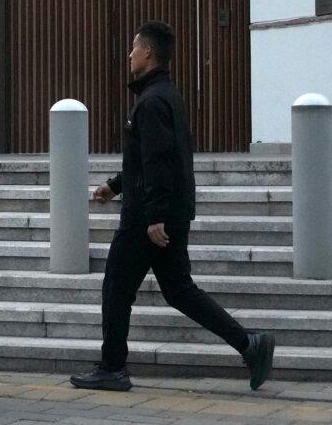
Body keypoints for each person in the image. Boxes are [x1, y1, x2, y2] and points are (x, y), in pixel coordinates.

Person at [69, 21, 275, 392]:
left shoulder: (151, 101)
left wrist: (155, 215)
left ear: (147, 53)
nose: (130, 53)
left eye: (134, 47)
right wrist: (115, 185)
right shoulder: (166, 96)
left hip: (149, 217)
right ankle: (250, 344)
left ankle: (112, 367)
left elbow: (160, 160)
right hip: (167, 210)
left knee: (116, 287)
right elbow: (149, 159)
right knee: (179, 290)